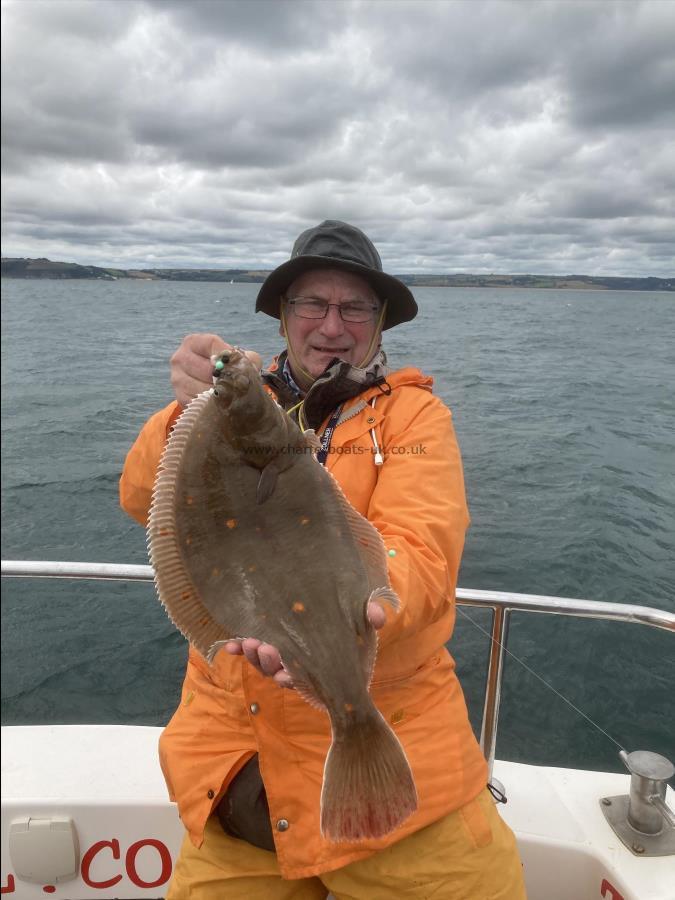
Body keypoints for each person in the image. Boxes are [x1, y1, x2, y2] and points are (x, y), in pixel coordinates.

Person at [120, 220, 527, 899]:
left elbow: (420, 548)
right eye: (311, 303)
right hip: (240, 778)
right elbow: (143, 500)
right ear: (282, 316)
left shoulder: (412, 420)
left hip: (407, 777)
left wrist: (369, 604)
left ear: (379, 323)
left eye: (354, 307)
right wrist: (182, 411)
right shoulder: (221, 410)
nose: (331, 325)